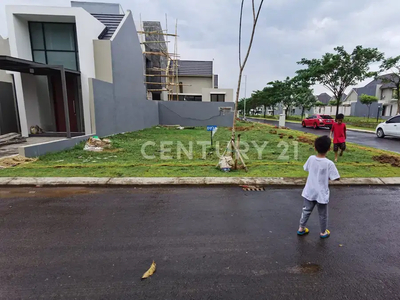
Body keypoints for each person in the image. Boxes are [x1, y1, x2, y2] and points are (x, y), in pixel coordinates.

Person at [297, 135, 340, 239]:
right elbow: (336, 178)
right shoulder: (329, 164)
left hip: (309, 191)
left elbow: (306, 168)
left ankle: (301, 228)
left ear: (315, 148)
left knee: (306, 210)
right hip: (321, 194)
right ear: (329, 149)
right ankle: (323, 232)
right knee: (322, 214)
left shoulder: (311, 159)